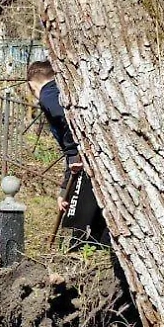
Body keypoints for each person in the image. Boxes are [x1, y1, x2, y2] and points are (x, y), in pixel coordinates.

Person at [25, 60, 108, 245]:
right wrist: (64, 190)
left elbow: (67, 120)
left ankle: (84, 245)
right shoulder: (61, 91)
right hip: (86, 155)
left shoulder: (48, 96)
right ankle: (93, 243)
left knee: (81, 208)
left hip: (82, 155)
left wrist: (76, 152)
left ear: (31, 84)